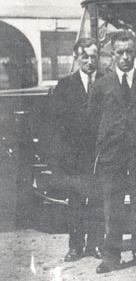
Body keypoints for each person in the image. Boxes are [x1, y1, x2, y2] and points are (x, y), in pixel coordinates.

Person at [88, 31, 136, 274]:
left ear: (135, 53)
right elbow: (92, 122)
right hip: (113, 158)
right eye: (119, 52)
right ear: (112, 55)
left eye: (129, 52)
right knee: (112, 207)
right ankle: (111, 256)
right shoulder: (102, 85)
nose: (124, 57)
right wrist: (103, 149)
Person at [50, 37, 104, 262]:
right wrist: (62, 157)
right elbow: (58, 124)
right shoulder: (66, 85)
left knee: (98, 201)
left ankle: (96, 244)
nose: (90, 61)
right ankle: (75, 246)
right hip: (75, 157)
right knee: (76, 202)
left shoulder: (106, 80)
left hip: (100, 154)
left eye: (94, 57)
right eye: (85, 57)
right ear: (77, 57)